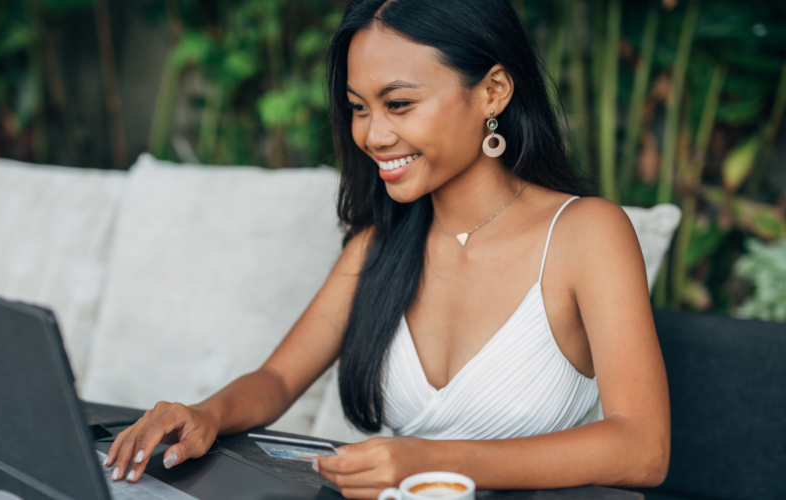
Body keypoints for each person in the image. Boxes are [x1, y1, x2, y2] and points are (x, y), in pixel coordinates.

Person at [102, 0, 669, 498]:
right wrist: (203, 413)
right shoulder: (382, 246)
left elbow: (643, 448)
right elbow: (276, 381)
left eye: (398, 104)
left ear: (492, 91)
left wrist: (433, 462)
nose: (372, 135)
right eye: (358, 106)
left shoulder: (586, 234)